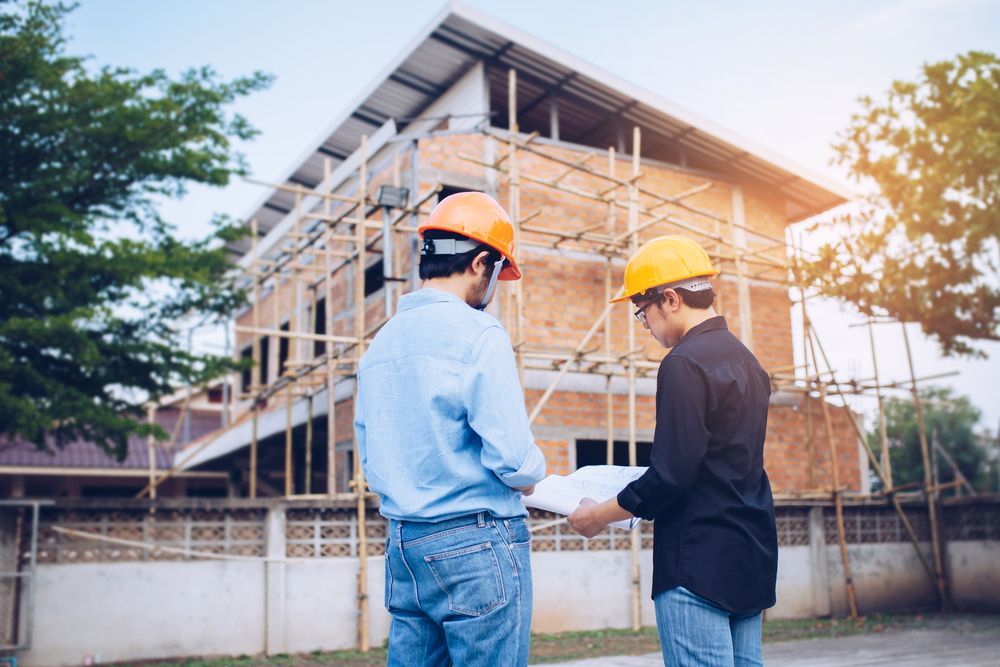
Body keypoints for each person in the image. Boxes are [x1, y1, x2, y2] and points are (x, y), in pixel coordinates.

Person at [354, 191, 546, 667]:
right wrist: (537, 473)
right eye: (499, 273)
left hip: (405, 543)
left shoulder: (381, 344)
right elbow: (514, 462)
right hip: (476, 543)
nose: (495, 286)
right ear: (482, 262)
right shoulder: (479, 333)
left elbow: (370, 451)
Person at [567, 235, 777, 667]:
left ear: (670, 298)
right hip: (749, 557)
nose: (646, 327)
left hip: (696, 564)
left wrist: (598, 514)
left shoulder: (684, 362)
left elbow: (672, 474)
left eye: (643, 315)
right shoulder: (748, 362)